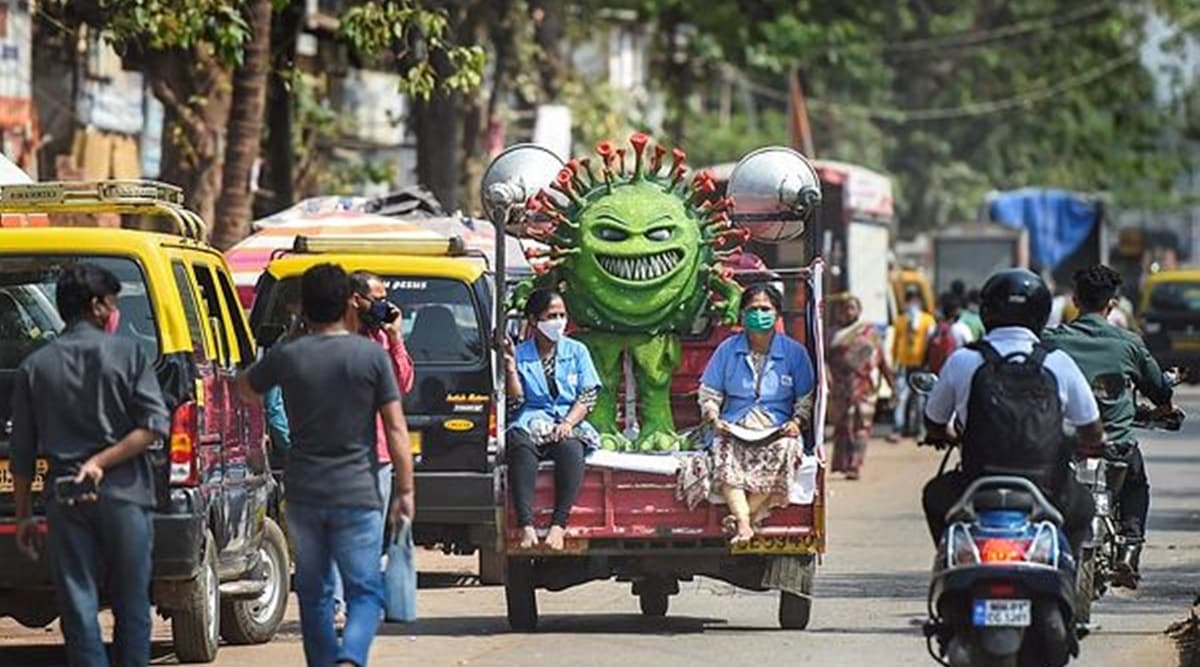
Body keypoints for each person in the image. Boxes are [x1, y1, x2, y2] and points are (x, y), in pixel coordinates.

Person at [237, 263, 413, 667]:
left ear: (304, 307)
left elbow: (245, 388)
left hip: (304, 492)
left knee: (314, 593)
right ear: (348, 302)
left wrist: (292, 340)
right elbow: (397, 429)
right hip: (359, 489)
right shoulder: (371, 356)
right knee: (365, 591)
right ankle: (351, 656)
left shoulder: (288, 355)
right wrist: (406, 492)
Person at [10, 263, 169, 667]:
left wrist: (26, 515)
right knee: (132, 604)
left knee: (78, 606)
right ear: (98, 306)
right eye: (113, 302)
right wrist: (102, 460)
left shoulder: (36, 366)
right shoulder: (130, 353)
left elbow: (23, 452)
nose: (115, 310)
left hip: (66, 501)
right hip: (126, 497)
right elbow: (154, 426)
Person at [921, 269, 1103, 556]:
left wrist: (948, 435)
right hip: (1047, 485)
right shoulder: (1059, 362)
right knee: (1084, 508)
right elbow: (1092, 429)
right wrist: (1086, 442)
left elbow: (933, 421)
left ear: (986, 311)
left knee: (934, 495)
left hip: (976, 483)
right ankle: (1066, 574)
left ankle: (953, 558)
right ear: (1042, 313)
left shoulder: (963, 360)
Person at [1042, 264, 1180, 588]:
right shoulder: (1128, 343)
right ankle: (1128, 553)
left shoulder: (1051, 341)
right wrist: (1164, 403)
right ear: (1112, 304)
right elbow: (1160, 389)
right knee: (1136, 484)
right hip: (1115, 445)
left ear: (1075, 300)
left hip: (1063, 445)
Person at [699, 283, 815, 543]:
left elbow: (805, 398)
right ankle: (744, 523)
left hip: (776, 427)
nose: (759, 314)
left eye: (765, 309)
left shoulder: (794, 353)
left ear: (777, 314)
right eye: (753, 309)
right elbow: (709, 392)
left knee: (787, 449)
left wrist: (797, 421)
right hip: (735, 423)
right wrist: (714, 418)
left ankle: (744, 518)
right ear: (742, 315)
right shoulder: (727, 350)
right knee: (721, 449)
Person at [504, 289, 601, 551]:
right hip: (532, 419)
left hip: (568, 419)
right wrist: (511, 370)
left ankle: (558, 525)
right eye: (551, 316)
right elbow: (515, 403)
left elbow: (588, 394)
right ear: (534, 321)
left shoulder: (577, 351)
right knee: (519, 446)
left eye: (562, 315)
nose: (558, 321)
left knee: (571, 448)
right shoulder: (520, 353)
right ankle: (526, 526)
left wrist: (569, 423)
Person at [827, 293, 893, 480]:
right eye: (844, 308)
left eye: (851, 308)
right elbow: (823, 360)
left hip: (864, 389)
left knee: (862, 427)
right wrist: (827, 377)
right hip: (840, 390)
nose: (848, 312)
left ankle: (855, 465)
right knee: (843, 428)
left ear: (859, 311)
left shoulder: (869, 332)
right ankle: (844, 463)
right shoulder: (831, 334)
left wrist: (892, 386)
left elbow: (882, 361)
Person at [889, 286, 936, 442]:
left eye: (914, 298)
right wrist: (894, 361)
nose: (912, 302)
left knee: (921, 400)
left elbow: (931, 342)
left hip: (921, 365)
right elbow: (896, 342)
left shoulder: (927, 320)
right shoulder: (901, 320)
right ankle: (898, 428)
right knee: (902, 398)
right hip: (904, 364)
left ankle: (920, 430)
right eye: (909, 298)